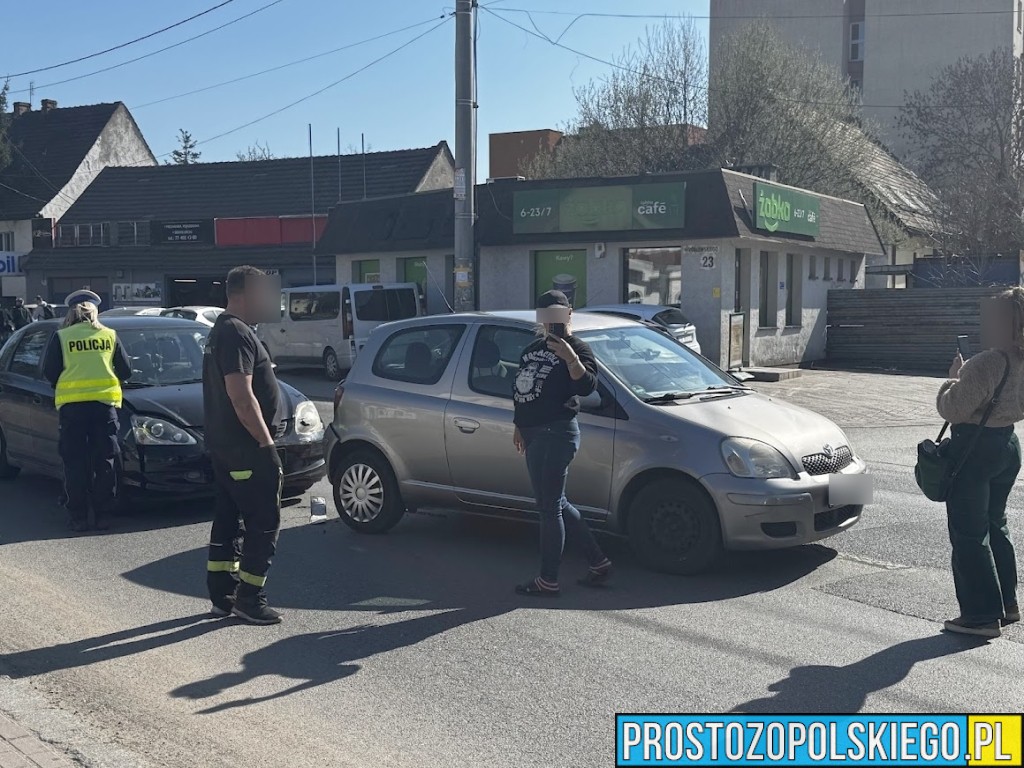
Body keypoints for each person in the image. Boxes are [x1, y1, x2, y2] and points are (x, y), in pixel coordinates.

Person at [936, 286, 1024, 638]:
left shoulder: (987, 361)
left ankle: (980, 617)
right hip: (1008, 445)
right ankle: (1008, 604)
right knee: (995, 524)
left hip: (975, 450)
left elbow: (952, 408)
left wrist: (952, 379)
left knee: (969, 534)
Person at [511, 290, 612, 596]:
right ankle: (598, 562)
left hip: (557, 432)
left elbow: (585, 387)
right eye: (546, 316)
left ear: (569, 315)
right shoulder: (531, 348)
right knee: (555, 503)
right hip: (532, 432)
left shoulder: (579, 348)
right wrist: (518, 424)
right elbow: (522, 388)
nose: (552, 322)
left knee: (549, 507)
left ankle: (548, 579)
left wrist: (570, 358)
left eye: (558, 314)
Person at [203, 265, 284, 625]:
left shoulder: (224, 330)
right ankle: (250, 599)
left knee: (228, 519)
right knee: (263, 521)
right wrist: (266, 444)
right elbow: (240, 394)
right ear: (244, 294)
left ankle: (223, 595)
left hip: (226, 446)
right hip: (247, 447)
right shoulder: (235, 333)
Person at [42, 290, 132, 533]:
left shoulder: (62, 337)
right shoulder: (109, 335)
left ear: (71, 312)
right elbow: (125, 370)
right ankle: (103, 515)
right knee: (105, 461)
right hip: (104, 407)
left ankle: (78, 517)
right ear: (95, 311)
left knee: (75, 462)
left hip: (72, 409)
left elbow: (49, 371)